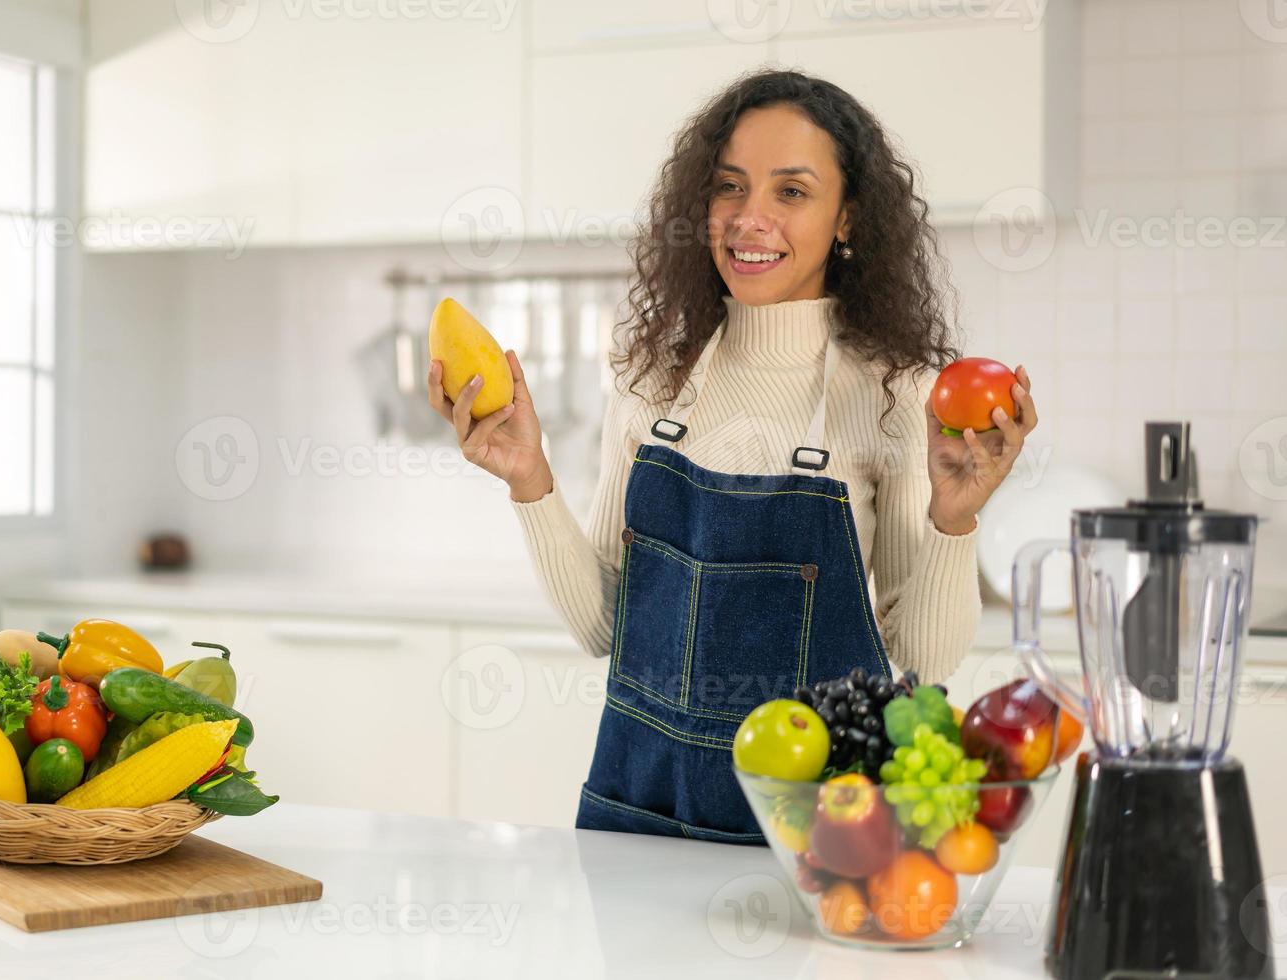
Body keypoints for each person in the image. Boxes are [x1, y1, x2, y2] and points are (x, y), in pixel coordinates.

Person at [428, 69, 1038, 842]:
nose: (751, 220)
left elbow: (921, 660)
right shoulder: (654, 371)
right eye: (729, 187)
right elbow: (607, 630)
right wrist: (531, 482)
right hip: (642, 813)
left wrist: (955, 521)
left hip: (816, 836)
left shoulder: (890, 391)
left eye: (791, 192)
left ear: (847, 218)